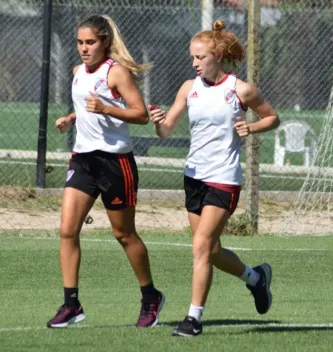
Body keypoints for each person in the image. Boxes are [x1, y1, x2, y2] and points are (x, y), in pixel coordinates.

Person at [149, 19, 280, 337]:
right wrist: (159, 121)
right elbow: (167, 130)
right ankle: (256, 278)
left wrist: (252, 127)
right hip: (193, 176)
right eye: (192, 58)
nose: (194, 63)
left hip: (223, 178)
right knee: (211, 250)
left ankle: (193, 319)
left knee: (201, 247)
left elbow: (273, 118)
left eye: (200, 57)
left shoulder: (240, 89)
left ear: (218, 56)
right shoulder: (188, 89)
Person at [47, 15, 165, 328]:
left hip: (115, 164)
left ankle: (150, 295)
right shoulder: (77, 72)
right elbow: (89, 102)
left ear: (104, 43)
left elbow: (140, 115)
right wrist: (73, 117)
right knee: (67, 230)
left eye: (90, 42)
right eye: (80, 43)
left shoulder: (117, 72)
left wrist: (107, 109)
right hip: (83, 160)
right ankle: (71, 304)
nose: (84, 49)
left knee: (123, 234)